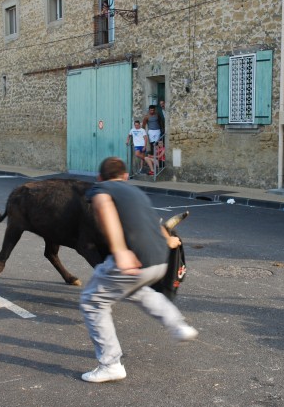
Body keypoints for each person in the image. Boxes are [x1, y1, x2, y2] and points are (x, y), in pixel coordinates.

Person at [79, 157, 198, 383]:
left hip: (133, 258)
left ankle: (110, 365)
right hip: (158, 260)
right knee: (137, 291)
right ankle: (178, 325)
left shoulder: (102, 188)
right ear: (125, 176)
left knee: (92, 302)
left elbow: (104, 206)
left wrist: (119, 249)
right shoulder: (136, 192)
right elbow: (153, 220)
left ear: (100, 177)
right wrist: (168, 240)